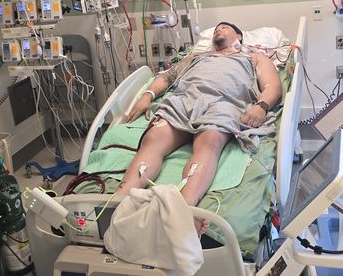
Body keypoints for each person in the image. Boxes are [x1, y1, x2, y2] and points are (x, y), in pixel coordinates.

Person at [118, 22, 282, 233]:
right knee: (154, 138)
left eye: (224, 27)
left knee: (210, 140)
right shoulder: (196, 56)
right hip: (185, 100)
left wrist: (261, 106)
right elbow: (167, 77)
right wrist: (147, 96)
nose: (218, 30)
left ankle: (185, 210)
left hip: (225, 102)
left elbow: (272, 85)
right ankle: (120, 201)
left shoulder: (253, 58)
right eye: (216, 28)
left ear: (239, 36)